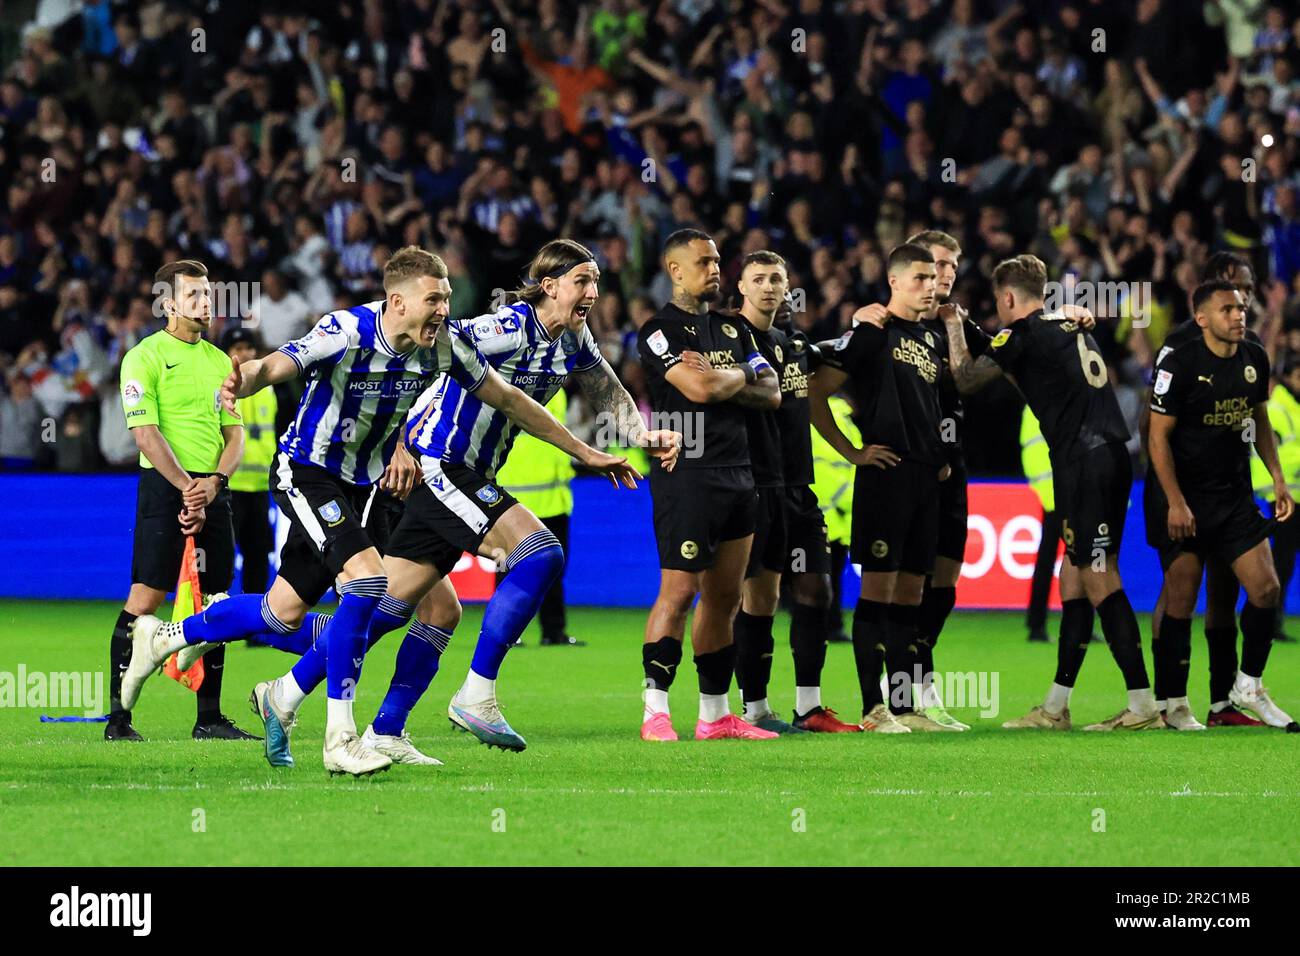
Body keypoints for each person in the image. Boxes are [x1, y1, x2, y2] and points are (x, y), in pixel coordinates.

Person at [119, 247, 633, 774]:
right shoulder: (347, 330)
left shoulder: (445, 346)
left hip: (365, 485)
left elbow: (508, 399)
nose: (444, 309)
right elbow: (278, 363)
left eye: (448, 298)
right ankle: (339, 739)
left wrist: (587, 452)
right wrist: (242, 380)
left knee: (289, 613)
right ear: (398, 301)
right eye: (434, 299)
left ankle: (171, 636)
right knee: (367, 582)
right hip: (309, 470)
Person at [943, 254, 1158, 731]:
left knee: (1098, 575)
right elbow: (1011, 353)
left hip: (1086, 461)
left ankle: (1144, 706)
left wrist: (953, 326)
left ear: (1007, 297)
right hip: (1107, 457)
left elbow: (966, 377)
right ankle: (1056, 707)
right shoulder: (1067, 326)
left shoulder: (1024, 335)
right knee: (1074, 576)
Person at [636, 228, 782, 742]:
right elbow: (697, 388)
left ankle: (715, 715)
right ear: (675, 270)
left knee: (724, 600)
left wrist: (733, 375)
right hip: (689, 473)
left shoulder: (735, 332)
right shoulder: (660, 331)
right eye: (704, 262)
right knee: (678, 593)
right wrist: (741, 379)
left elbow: (773, 394)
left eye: (718, 260)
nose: (715, 269)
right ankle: (655, 711)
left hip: (740, 475)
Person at [107, 259, 254, 742]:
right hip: (163, 489)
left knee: (216, 600)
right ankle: (118, 718)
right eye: (193, 295)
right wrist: (185, 486)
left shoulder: (219, 362)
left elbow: (236, 437)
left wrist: (212, 482)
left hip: (211, 490)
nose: (205, 302)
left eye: (207, 294)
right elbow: (145, 434)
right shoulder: (143, 357)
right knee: (145, 598)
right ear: (168, 303)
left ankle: (208, 718)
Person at [810, 243, 950, 733]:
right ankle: (874, 709)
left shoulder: (932, 338)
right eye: (918, 278)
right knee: (879, 592)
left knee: (912, 596)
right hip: (885, 476)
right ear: (893, 282)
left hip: (924, 481)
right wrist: (852, 452)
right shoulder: (870, 333)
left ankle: (906, 706)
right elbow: (814, 391)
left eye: (932, 278)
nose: (929, 286)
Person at [1147, 281, 1296, 730]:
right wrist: (1174, 501)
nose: (1238, 315)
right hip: (1184, 496)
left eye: (1242, 308)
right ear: (1202, 318)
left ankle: (1246, 686)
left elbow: (1260, 418)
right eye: (1227, 309)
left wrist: (1277, 477)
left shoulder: (1254, 358)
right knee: (1182, 597)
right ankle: (1173, 702)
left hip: (1232, 496)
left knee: (1266, 589)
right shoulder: (1180, 362)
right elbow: (1158, 437)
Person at [733, 251, 859, 733]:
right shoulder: (731, 342)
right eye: (759, 279)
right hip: (754, 485)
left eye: (777, 279)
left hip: (798, 489)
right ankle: (753, 708)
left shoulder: (797, 347)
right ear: (742, 288)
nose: (770, 287)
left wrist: (869, 319)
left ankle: (809, 708)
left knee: (817, 589)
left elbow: (839, 355)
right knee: (756, 597)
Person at [496, 389, 583, 646]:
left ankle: (553, 632)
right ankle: (507, 632)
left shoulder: (559, 393)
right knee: (508, 570)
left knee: (554, 569)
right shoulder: (504, 389)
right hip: (513, 499)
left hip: (552, 498)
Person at [221, 327, 276, 595]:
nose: (244, 354)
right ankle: (216, 612)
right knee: (222, 553)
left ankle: (254, 622)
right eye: (237, 348)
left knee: (258, 554)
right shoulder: (219, 386)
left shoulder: (268, 389)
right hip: (228, 484)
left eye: (248, 348)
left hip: (259, 486)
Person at [1021, 406, 1060, 643]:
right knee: (1085, 559)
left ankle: (1037, 623)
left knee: (1050, 558)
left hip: (1055, 490)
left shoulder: (1034, 401)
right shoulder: (1045, 399)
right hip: (1061, 490)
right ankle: (1037, 624)